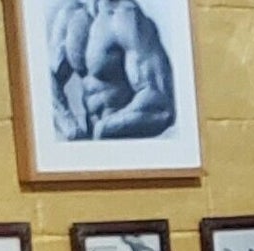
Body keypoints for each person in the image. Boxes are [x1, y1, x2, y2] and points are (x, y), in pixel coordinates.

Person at [46, 0, 179, 144]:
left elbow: (160, 105)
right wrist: (70, 128)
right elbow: (46, 81)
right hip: (90, 149)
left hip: (128, 148)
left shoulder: (127, 18)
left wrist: (104, 130)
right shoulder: (70, 16)